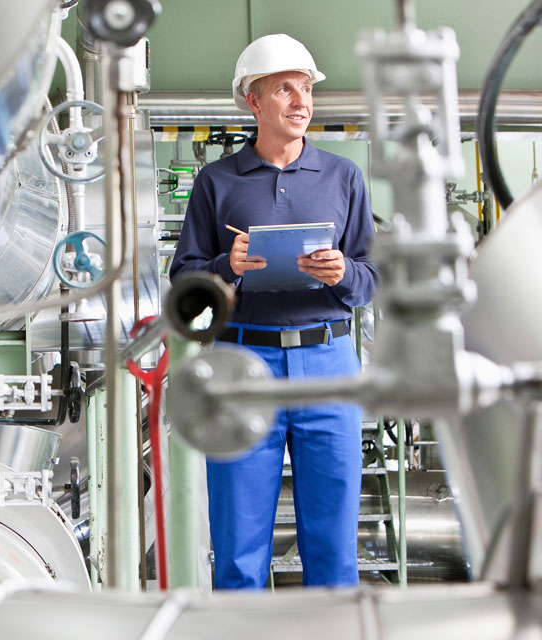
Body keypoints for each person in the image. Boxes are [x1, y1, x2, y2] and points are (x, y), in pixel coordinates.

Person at [169, 33, 379, 589]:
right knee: (238, 552)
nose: (300, 100)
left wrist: (344, 272)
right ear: (253, 100)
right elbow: (185, 287)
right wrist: (226, 264)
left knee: (334, 552)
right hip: (242, 362)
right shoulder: (216, 182)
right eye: (285, 88)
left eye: (306, 88)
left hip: (330, 362)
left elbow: (372, 277)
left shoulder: (344, 177)